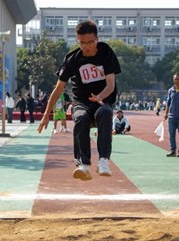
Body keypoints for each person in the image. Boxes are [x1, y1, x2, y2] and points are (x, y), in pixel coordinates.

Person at [38, 19, 121, 180]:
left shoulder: (106, 52)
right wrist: (46, 114)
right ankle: (83, 165)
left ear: (97, 39)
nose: (86, 47)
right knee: (81, 118)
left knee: (105, 112)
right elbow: (58, 88)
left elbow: (111, 84)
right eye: (82, 43)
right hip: (81, 103)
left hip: (102, 101)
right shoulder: (72, 59)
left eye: (90, 42)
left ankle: (103, 160)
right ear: (77, 40)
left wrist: (100, 97)